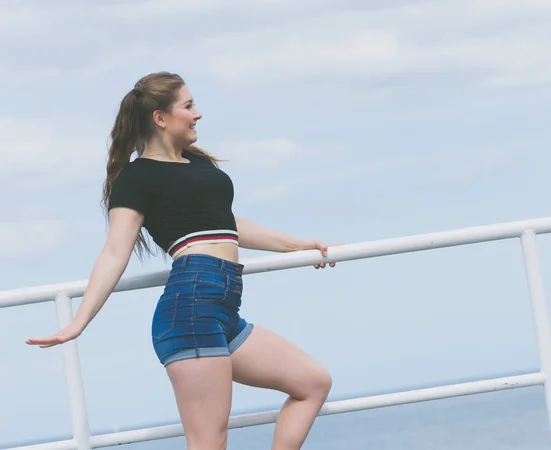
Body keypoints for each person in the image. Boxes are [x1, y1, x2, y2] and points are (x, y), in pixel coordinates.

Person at [26, 71, 336, 450]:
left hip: (221, 306)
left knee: (311, 383)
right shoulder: (136, 178)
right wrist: (78, 321)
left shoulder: (198, 163)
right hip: (191, 305)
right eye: (188, 106)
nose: (197, 114)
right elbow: (114, 252)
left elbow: (227, 224)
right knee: (209, 442)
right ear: (160, 118)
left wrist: (299, 246)